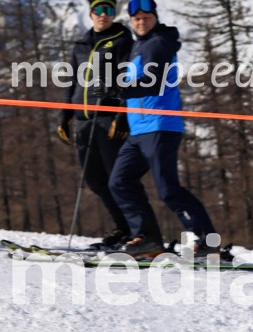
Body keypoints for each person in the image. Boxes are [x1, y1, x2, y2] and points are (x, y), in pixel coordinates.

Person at [109, 0, 219, 257]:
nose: (141, 20)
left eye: (146, 16)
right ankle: (147, 238)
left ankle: (208, 242)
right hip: (139, 130)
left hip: (160, 126)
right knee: (119, 181)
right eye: (136, 18)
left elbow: (152, 82)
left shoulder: (158, 44)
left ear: (155, 18)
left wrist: (120, 90)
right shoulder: (139, 46)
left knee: (168, 189)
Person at [57, 0, 133, 250]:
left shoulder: (122, 39)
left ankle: (136, 232)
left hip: (108, 118)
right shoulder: (80, 44)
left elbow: (128, 80)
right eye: (99, 10)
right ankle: (122, 228)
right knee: (94, 180)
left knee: (116, 179)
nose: (104, 15)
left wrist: (122, 114)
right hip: (83, 119)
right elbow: (72, 82)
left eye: (109, 10)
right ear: (91, 13)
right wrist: (64, 116)